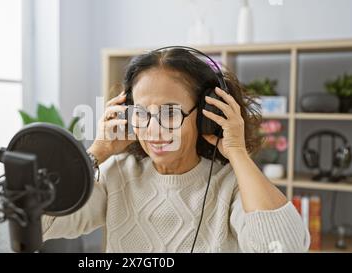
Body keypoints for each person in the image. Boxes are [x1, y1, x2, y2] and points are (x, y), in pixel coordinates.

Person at [42, 48, 309, 252]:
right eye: (141, 113)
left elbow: (285, 246)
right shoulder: (117, 174)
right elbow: (38, 224)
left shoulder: (231, 184)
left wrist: (237, 152)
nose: (153, 129)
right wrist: (97, 152)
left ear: (207, 114)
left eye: (170, 113)